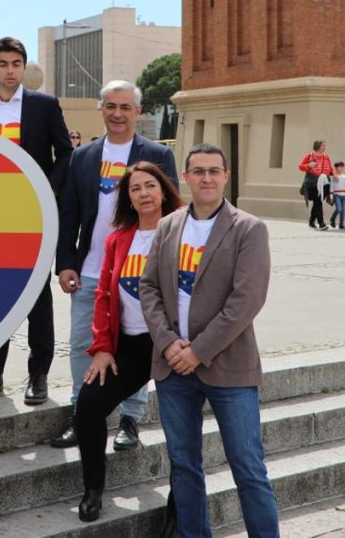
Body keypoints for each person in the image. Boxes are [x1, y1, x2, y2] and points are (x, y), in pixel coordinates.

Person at [140, 143, 280, 538]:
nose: (206, 178)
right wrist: (169, 344)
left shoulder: (248, 229)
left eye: (213, 171)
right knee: (183, 466)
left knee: (248, 467)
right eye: (198, 171)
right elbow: (148, 288)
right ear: (185, 176)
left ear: (225, 177)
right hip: (173, 368)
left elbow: (246, 300)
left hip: (229, 368)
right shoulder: (168, 225)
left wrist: (199, 351)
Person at [51, 80, 178, 451]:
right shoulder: (84, 156)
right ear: (101, 110)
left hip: (140, 272)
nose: (118, 114)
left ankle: (130, 419)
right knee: (81, 345)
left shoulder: (157, 155)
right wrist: (66, 262)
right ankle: (81, 412)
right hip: (90, 270)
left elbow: (169, 210)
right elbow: (70, 212)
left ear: (138, 112)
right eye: (111, 106)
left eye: (125, 107)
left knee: (137, 347)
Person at [0, 36, 72, 405]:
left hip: (32, 216)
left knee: (37, 297)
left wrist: (46, 191)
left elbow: (65, 154)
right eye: (4, 64)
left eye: (17, 64)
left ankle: (38, 375)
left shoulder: (43, 105)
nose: (10, 71)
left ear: (24, 68)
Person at [74, 161, 183, 522]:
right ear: (129, 199)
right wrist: (103, 348)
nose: (143, 193)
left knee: (180, 426)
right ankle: (93, 490)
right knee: (88, 404)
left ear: (163, 191)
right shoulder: (119, 239)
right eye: (135, 189)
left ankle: (180, 509)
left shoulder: (184, 230)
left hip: (173, 346)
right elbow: (104, 295)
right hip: (130, 346)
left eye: (150, 185)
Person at [298, 139, 333, 230]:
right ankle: (321, 223)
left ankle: (311, 221)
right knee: (318, 202)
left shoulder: (326, 157)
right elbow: (300, 166)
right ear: (317, 146)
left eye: (325, 145)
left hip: (324, 183)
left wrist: (335, 176)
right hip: (312, 183)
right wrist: (308, 165)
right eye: (323, 146)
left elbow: (330, 169)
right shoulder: (310, 156)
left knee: (318, 202)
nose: (325, 147)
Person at [329, 161, 345, 230]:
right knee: (339, 209)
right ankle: (332, 218)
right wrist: (331, 196)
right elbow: (331, 186)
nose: (341, 168)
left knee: (343, 211)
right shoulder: (333, 177)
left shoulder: (344, 176)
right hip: (336, 195)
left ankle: (341, 224)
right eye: (339, 167)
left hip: (343, 195)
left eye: (342, 167)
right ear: (336, 168)